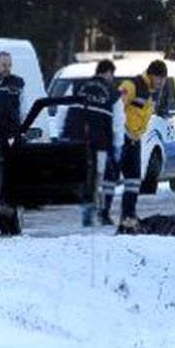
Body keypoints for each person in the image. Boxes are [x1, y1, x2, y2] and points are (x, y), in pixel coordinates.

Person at [61, 60, 125, 227]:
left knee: (82, 175)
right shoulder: (113, 93)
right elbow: (118, 123)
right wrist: (118, 145)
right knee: (98, 177)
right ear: (109, 73)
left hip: (75, 140)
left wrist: (60, 134)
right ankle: (94, 210)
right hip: (100, 142)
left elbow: (62, 110)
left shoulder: (77, 86)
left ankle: (86, 207)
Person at [114, 59, 168, 234]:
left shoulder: (151, 91)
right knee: (114, 177)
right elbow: (116, 105)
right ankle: (110, 214)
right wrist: (119, 131)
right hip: (123, 137)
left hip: (134, 139)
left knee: (134, 180)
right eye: (161, 79)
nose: (162, 83)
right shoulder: (132, 85)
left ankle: (128, 216)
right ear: (152, 75)